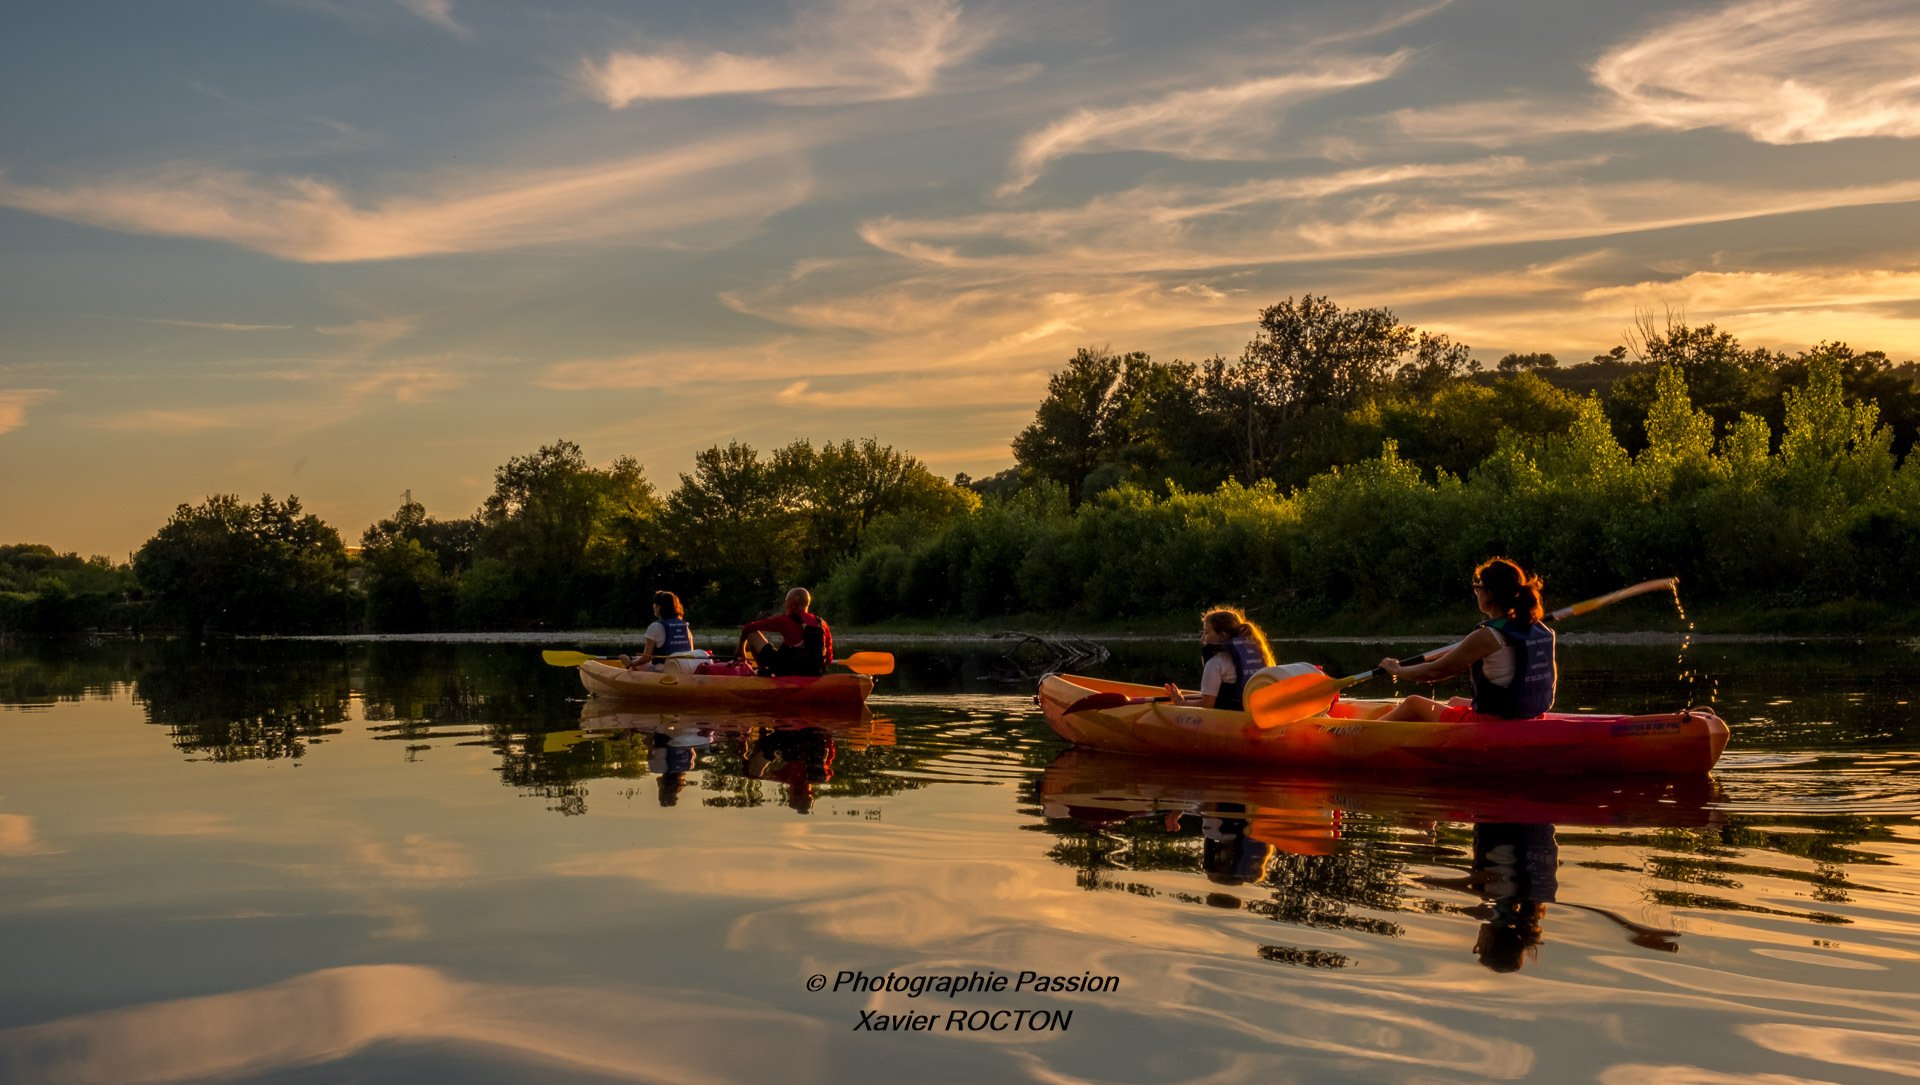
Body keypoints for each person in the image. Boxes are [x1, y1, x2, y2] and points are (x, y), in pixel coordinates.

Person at [1377, 557, 1556, 722]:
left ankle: (1357, 737)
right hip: (1531, 716)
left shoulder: (1487, 636)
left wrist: (1397, 670)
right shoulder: (1537, 628)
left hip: (1492, 723)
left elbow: (1434, 672)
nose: (1476, 593)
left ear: (1490, 593)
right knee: (1455, 701)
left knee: (1413, 703)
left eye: (1477, 587)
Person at [1162, 607, 1276, 711]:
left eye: (1206, 633)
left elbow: (1206, 704)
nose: (1202, 639)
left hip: (1230, 720)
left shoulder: (1215, 664)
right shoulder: (1260, 656)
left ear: (1222, 635)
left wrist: (1180, 702)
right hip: (1255, 714)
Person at [738, 587, 833, 677]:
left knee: (751, 634)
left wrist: (741, 650)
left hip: (784, 669)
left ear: (793, 605)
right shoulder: (822, 623)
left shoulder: (784, 620)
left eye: (786, 602)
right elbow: (828, 659)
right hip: (814, 671)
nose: (785, 605)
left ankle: (762, 670)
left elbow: (748, 628)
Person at [621, 591, 695, 670]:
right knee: (639, 659)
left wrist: (630, 663)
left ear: (659, 607)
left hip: (663, 671)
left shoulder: (655, 627)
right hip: (685, 670)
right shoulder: (685, 626)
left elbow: (646, 658)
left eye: (655, 604)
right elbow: (691, 651)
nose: (653, 606)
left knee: (634, 667)